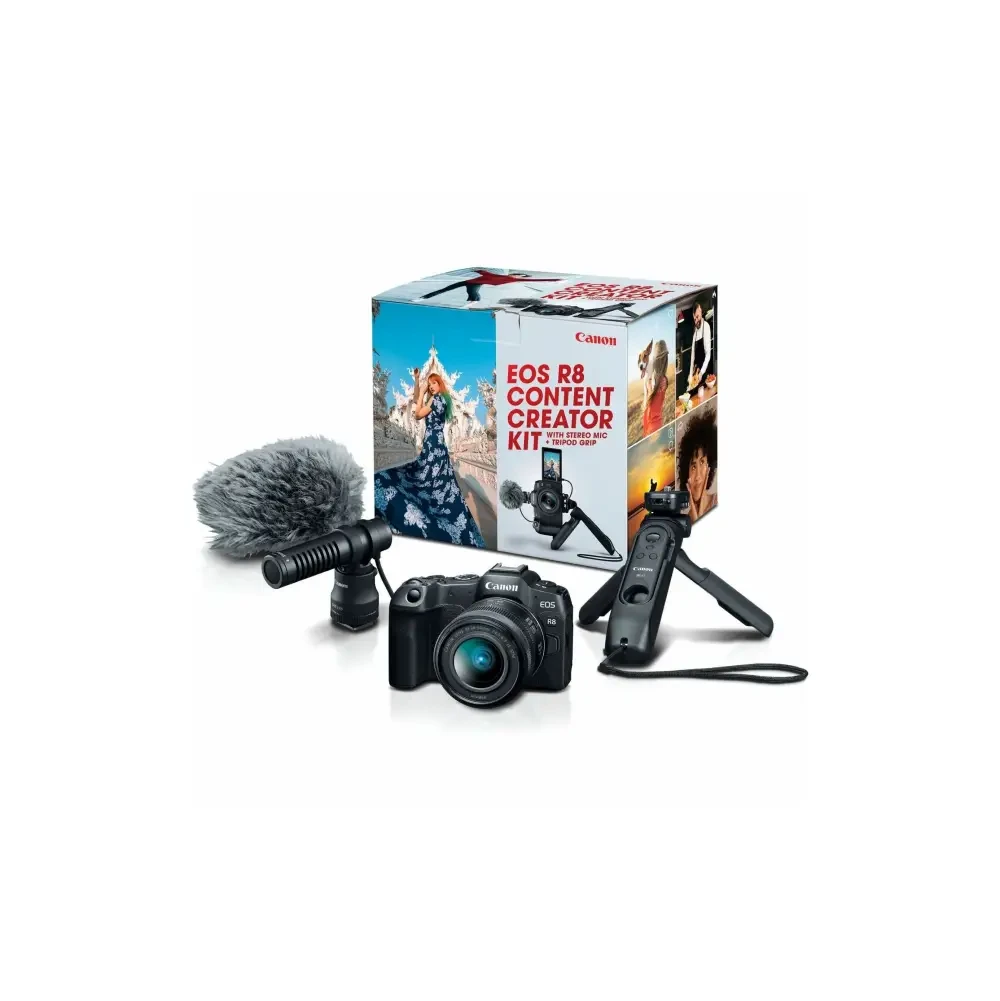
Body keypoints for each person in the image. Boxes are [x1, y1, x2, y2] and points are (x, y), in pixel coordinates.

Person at [374, 370, 486, 546]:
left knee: (423, 479)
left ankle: (432, 516)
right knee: (438, 483)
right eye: (430, 384)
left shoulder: (436, 399)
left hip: (433, 443)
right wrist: (417, 380)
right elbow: (418, 400)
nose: (431, 386)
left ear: (440, 384)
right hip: (438, 444)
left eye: (434, 383)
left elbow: (418, 414)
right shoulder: (443, 400)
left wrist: (423, 393)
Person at [421, 269, 561, 303]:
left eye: (521, 276)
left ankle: (472, 304)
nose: (519, 276)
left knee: (474, 296)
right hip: (470, 281)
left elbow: (536, 280)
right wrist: (478, 270)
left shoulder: (513, 280)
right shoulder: (506, 276)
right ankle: (424, 297)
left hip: (476, 284)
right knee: (446, 289)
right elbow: (485, 273)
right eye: (519, 275)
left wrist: (555, 280)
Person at [676, 408, 718, 522]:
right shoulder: (684, 521)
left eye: (702, 462)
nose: (698, 476)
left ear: (710, 465)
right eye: (693, 467)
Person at [686, 301, 715, 392]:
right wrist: (691, 374)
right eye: (694, 318)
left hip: (705, 372)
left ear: (701, 313)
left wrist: (701, 373)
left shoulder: (706, 327)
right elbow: (692, 357)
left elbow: (708, 354)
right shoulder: (695, 333)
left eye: (697, 317)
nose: (696, 321)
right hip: (697, 373)